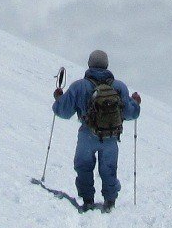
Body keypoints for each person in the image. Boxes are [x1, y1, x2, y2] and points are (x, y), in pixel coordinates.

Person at [52, 49, 140, 211]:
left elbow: (63, 112)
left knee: (83, 166)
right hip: (111, 136)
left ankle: (87, 200)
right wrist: (135, 102)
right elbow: (131, 113)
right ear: (106, 65)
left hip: (87, 134)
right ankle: (110, 201)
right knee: (109, 168)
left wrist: (58, 99)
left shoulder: (79, 86)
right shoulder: (119, 87)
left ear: (89, 64)